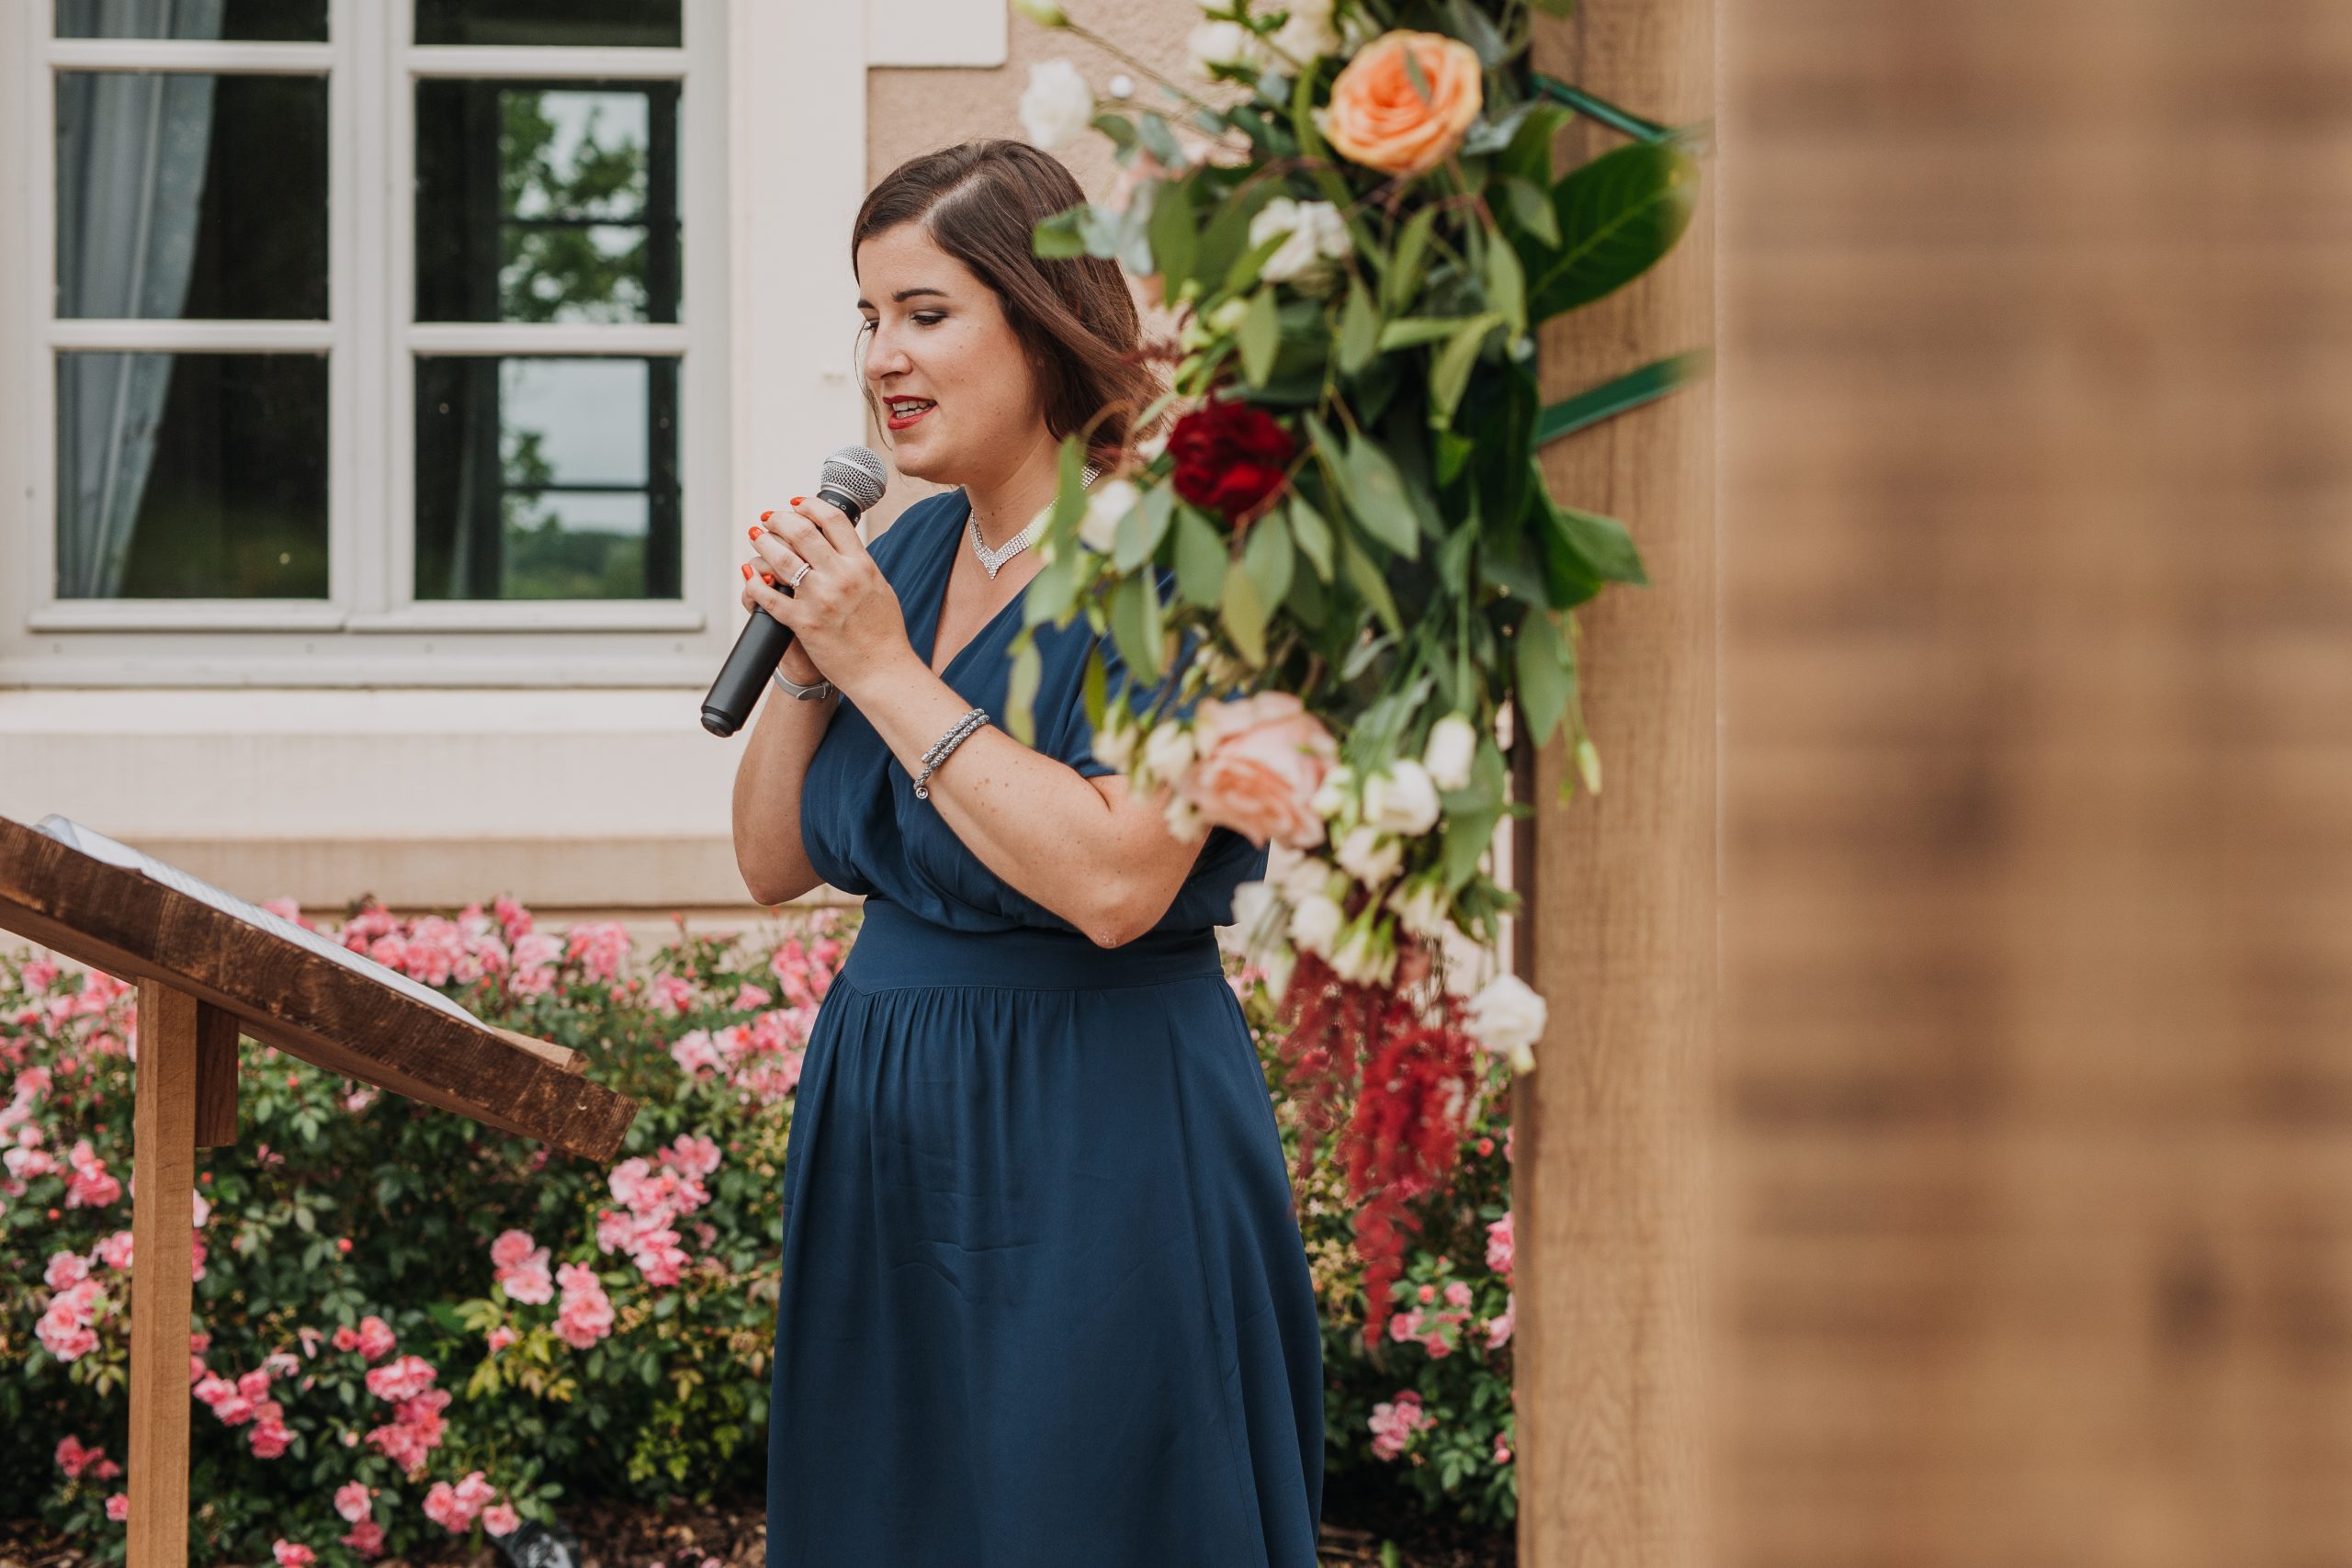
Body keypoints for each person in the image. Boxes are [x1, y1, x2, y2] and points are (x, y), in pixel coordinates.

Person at [730, 139, 1326, 1568]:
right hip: (887, 1108)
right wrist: (816, 649)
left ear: (1044, 316)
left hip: (1099, 1117)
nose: (885, 358)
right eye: (868, 318)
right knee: (897, 1508)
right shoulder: (909, 556)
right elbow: (766, 860)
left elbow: (1121, 885)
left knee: (1088, 1501)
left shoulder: (1182, 557)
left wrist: (882, 669)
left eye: (927, 314)